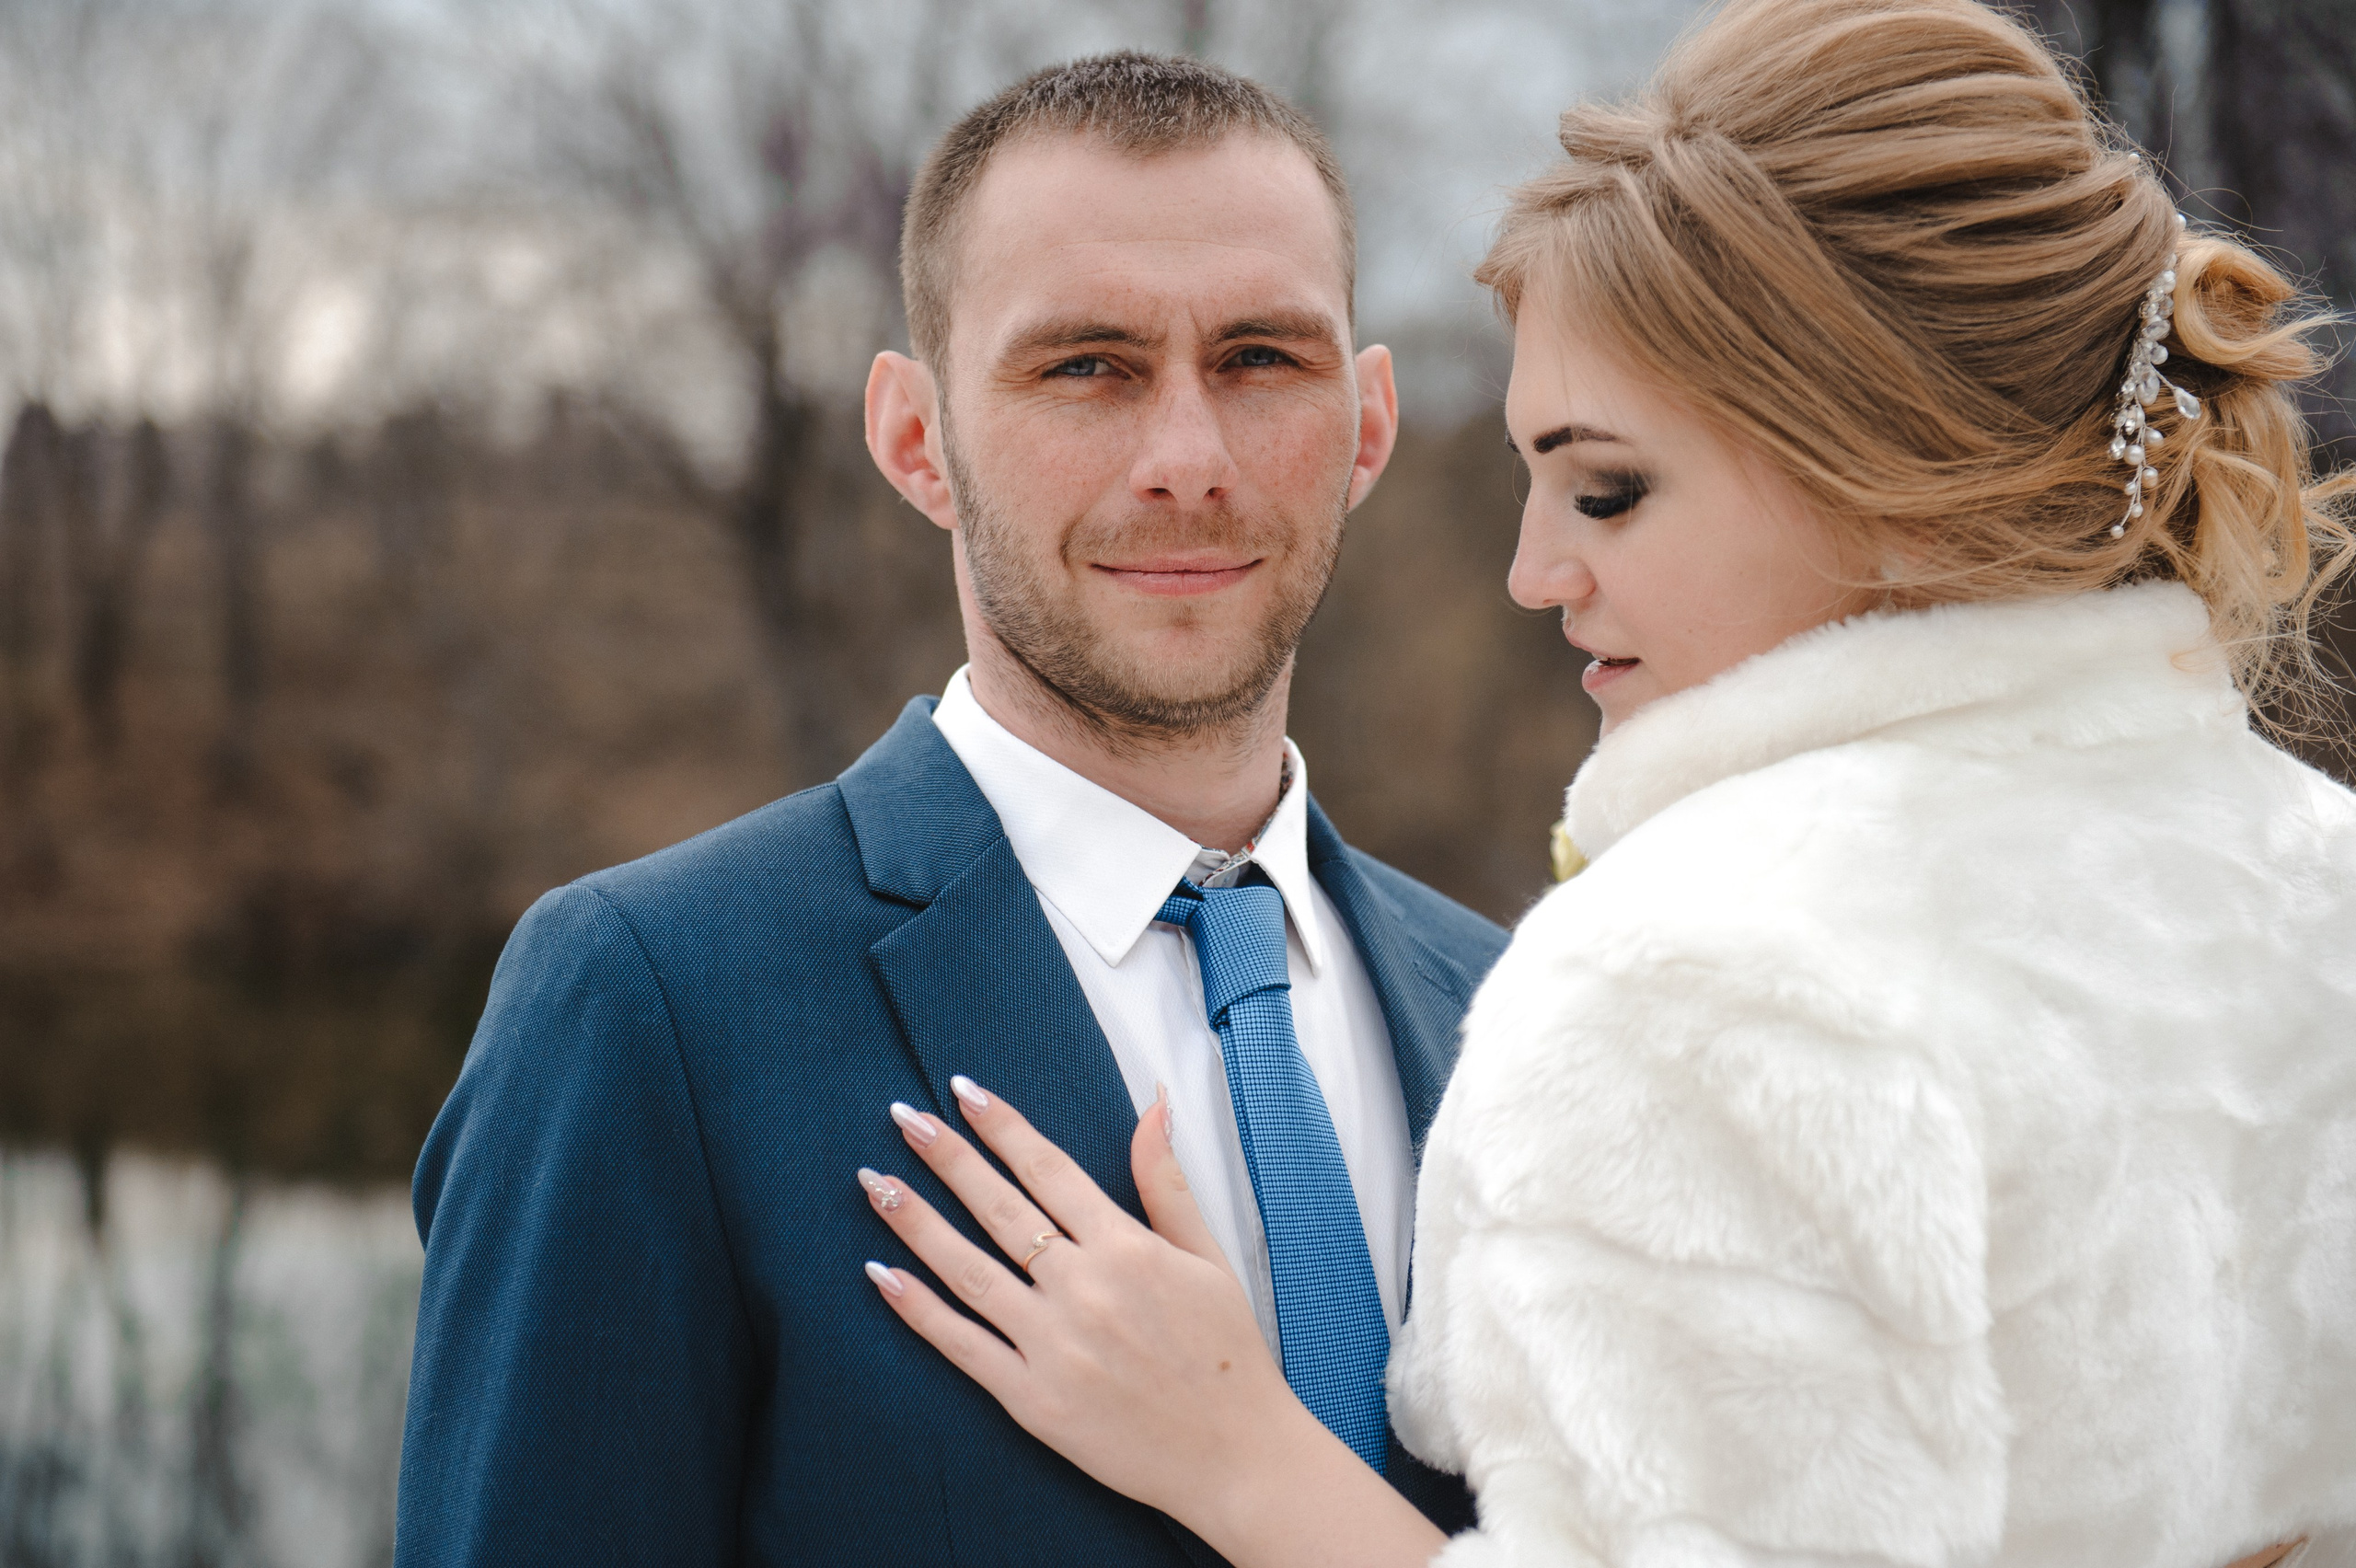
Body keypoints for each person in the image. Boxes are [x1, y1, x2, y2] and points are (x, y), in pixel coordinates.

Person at [851, 3, 2356, 1565]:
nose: (1533, 571)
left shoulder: (1704, 978)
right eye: (1085, 367)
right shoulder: (2316, 879)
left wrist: (1243, 1464)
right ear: (915, 435)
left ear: (1886, 474)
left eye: (1610, 489)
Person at [392, 53, 1505, 1566]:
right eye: (1086, 367)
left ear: (1367, 426)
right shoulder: (652, 1006)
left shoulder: (1517, 1012)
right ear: (917, 440)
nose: (1188, 460)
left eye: (1261, 358)